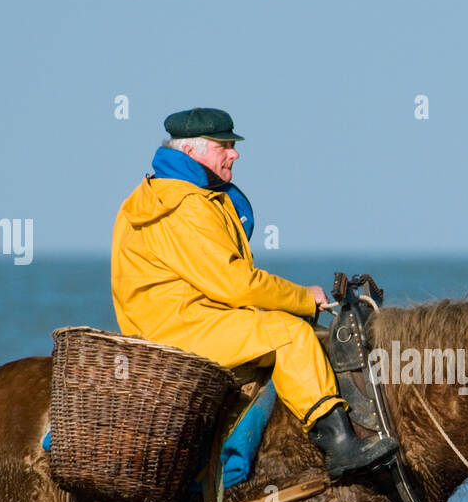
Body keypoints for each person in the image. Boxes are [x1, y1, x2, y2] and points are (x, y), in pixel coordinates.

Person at [111, 107, 398, 480]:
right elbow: (236, 284)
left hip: (169, 324)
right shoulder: (187, 205)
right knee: (290, 335)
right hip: (182, 331)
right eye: (225, 145)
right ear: (193, 152)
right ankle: (342, 447)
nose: (235, 153)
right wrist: (302, 299)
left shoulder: (152, 194)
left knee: (279, 327)